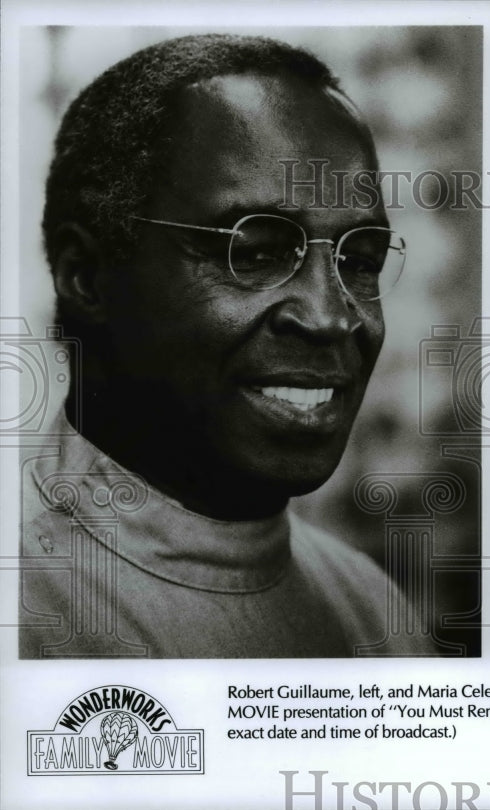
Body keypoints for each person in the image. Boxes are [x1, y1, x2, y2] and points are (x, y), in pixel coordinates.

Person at [19, 34, 430, 658]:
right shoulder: (26, 604)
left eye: (360, 260)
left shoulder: (373, 608)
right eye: (255, 252)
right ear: (88, 276)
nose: (329, 316)